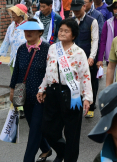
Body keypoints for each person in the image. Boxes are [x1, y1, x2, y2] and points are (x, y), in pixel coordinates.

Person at [37, 18, 93, 162]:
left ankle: (69, 158)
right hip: (53, 92)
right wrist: (42, 88)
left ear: (73, 35)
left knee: (72, 133)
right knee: (48, 129)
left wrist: (87, 98)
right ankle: (62, 151)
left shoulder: (79, 52)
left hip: (72, 93)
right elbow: (48, 71)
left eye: (66, 31)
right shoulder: (53, 48)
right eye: (61, 30)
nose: (62, 33)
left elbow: (85, 76)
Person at [9, 20, 52, 162]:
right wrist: (12, 89)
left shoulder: (47, 49)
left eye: (33, 30)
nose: (28, 33)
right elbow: (17, 71)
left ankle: (28, 159)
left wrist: (46, 91)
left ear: (40, 32)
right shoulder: (22, 48)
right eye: (26, 30)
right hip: (24, 94)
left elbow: (51, 73)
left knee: (34, 131)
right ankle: (46, 149)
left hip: (41, 96)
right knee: (33, 125)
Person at [67, 0, 99, 119]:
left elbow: (95, 40)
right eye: (73, 10)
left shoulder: (92, 21)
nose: (76, 12)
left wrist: (92, 57)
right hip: (72, 58)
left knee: (90, 82)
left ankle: (91, 105)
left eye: (78, 9)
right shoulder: (70, 21)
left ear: (84, 7)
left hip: (87, 57)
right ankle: (76, 104)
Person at [0, 4, 29, 73]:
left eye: (14, 12)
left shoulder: (28, 27)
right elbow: (5, 42)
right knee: (14, 83)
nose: (12, 14)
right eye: (12, 12)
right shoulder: (11, 27)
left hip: (25, 62)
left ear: (20, 14)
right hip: (13, 61)